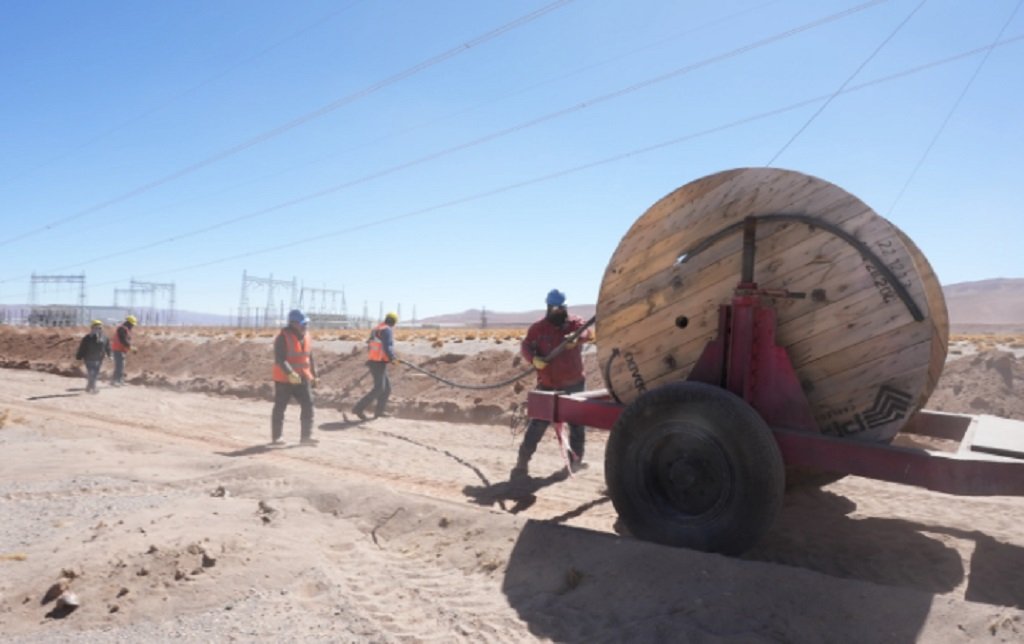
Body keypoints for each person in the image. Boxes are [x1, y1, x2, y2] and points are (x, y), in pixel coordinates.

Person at [512, 289, 593, 478]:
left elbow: (587, 332)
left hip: (574, 384)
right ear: (548, 307)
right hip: (548, 385)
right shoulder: (538, 328)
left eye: (561, 307)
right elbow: (525, 346)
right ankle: (522, 463)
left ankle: (576, 461)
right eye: (554, 307)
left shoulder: (575, 323)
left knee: (577, 425)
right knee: (538, 425)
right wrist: (533, 359)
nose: (558, 311)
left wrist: (576, 339)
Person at [271, 309, 319, 446]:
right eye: (303, 324)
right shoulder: (282, 337)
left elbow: (309, 357)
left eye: (306, 324)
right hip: (284, 379)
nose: (305, 326)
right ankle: (277, 437)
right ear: (293, 324)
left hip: (302, 377)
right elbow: (280, 358)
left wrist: (315, 375)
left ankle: (306, 437)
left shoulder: (307, 336)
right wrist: (290, 373)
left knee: (308, 404)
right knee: (280, 407)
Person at [353, 312, 400, 421]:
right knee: (380, 388)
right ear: (394, 322)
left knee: (386, 389)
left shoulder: (377, 329)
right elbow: (387, 347)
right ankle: (358, 408)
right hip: (378, 362)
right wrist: (393, 359)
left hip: (375, 361)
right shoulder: (387, 330)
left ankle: (379, 412)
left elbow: (370, 343)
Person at [75, 320, 111, 394]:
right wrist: (79, 356)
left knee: (95, 373)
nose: (98, 329)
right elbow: (82, 348)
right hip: (89, 359)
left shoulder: (105, 338)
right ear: (92, 328)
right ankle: (93, 388)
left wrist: (110, 355)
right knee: (92, 373)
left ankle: (89, 387)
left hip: (99, 359)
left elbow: (107, 347)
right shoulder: (87, 338)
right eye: (96, 327)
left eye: (100, 328)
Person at [110, 315, 137, 386]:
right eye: (132, 325)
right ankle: (115, 381)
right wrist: (131, 347)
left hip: (121, 350)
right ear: (129, 323)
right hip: (118, 350)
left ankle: (119, 380)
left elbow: (126, 340)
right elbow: (123, 340)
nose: (132, 326)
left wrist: (130, 346)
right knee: (119, 366)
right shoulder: (122, 329)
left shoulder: (125, 329)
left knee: (121, 366)